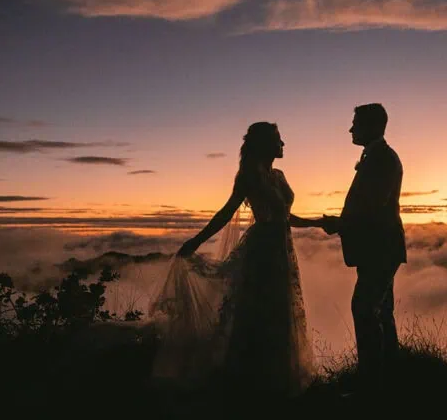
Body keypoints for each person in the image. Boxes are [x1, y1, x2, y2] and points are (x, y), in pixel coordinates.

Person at [151, 122, 320, 397]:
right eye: (278, 139)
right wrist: (196, 242)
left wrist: (317, 223)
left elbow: (286, 217)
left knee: (280, 311)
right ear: (265, 144)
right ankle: (249, 381)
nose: (284, 144)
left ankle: (276, 378)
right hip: (262, 251)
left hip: (282, 251)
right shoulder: (249, 176)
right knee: (256, 312)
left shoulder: (278, 176)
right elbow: (226, 213)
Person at [320, 103, 406, 393]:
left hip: (380, 249)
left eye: (355, 123)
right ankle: (389, 378)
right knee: (381, 312)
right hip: (380, 248)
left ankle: (371, 385)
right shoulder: (377, 156)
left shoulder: (381, 158)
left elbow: (371, 207)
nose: (351, 129)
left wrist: (340, 224)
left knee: (363, 309)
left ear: (371, 126)